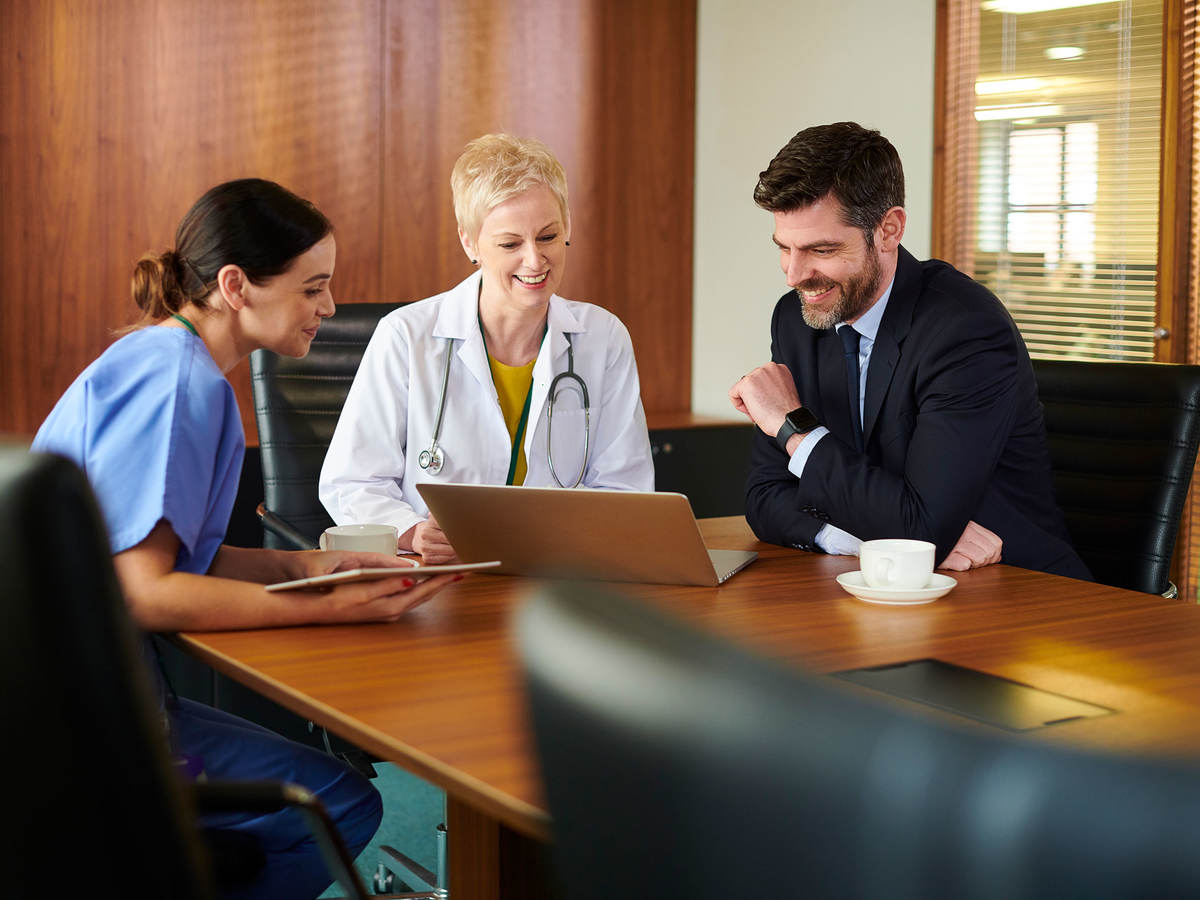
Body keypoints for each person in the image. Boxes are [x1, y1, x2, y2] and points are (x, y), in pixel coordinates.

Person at [32, 178, 459, 899]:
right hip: (81, 713)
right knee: (342, 803)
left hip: (71, 688)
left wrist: (306, 564)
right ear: (237, 286)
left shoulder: (162, 362)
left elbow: (163, 555)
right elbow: (147, 593)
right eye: (312, 288)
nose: (328, 306)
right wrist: (332, 608)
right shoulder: (182, 388)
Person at [728, 122, 1090, 579]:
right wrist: (872, 541)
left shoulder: (965, 331)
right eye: (785, 248)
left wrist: (792, 427)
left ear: (889, 229)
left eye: (820, 249)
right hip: (893, 584)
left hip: (1014, 590)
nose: (794, 275)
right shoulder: (796, 319)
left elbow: (920, 527)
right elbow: (765, 499)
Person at [320, 133, 655, 563]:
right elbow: (351, 482)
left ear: (568, 225)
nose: (535, 261)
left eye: (548, 236)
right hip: (440, 577)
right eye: (510, 244)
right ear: (469, 242)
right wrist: (413, 533)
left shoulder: (603, 337)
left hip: (558, 571)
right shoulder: (406, 335)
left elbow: (626, 489)